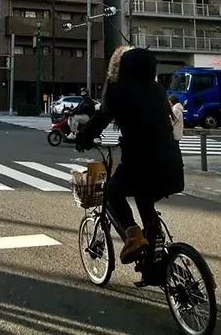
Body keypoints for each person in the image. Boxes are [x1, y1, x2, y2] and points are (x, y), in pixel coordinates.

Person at [76, 47, 184, 265]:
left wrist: (84, 140)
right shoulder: (158, 90)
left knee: (112, 192)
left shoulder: (119, 91)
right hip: (172, 164)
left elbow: (101, 118)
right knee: (145, 196)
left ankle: (134, 237)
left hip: (141, 162)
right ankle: (155, 254)